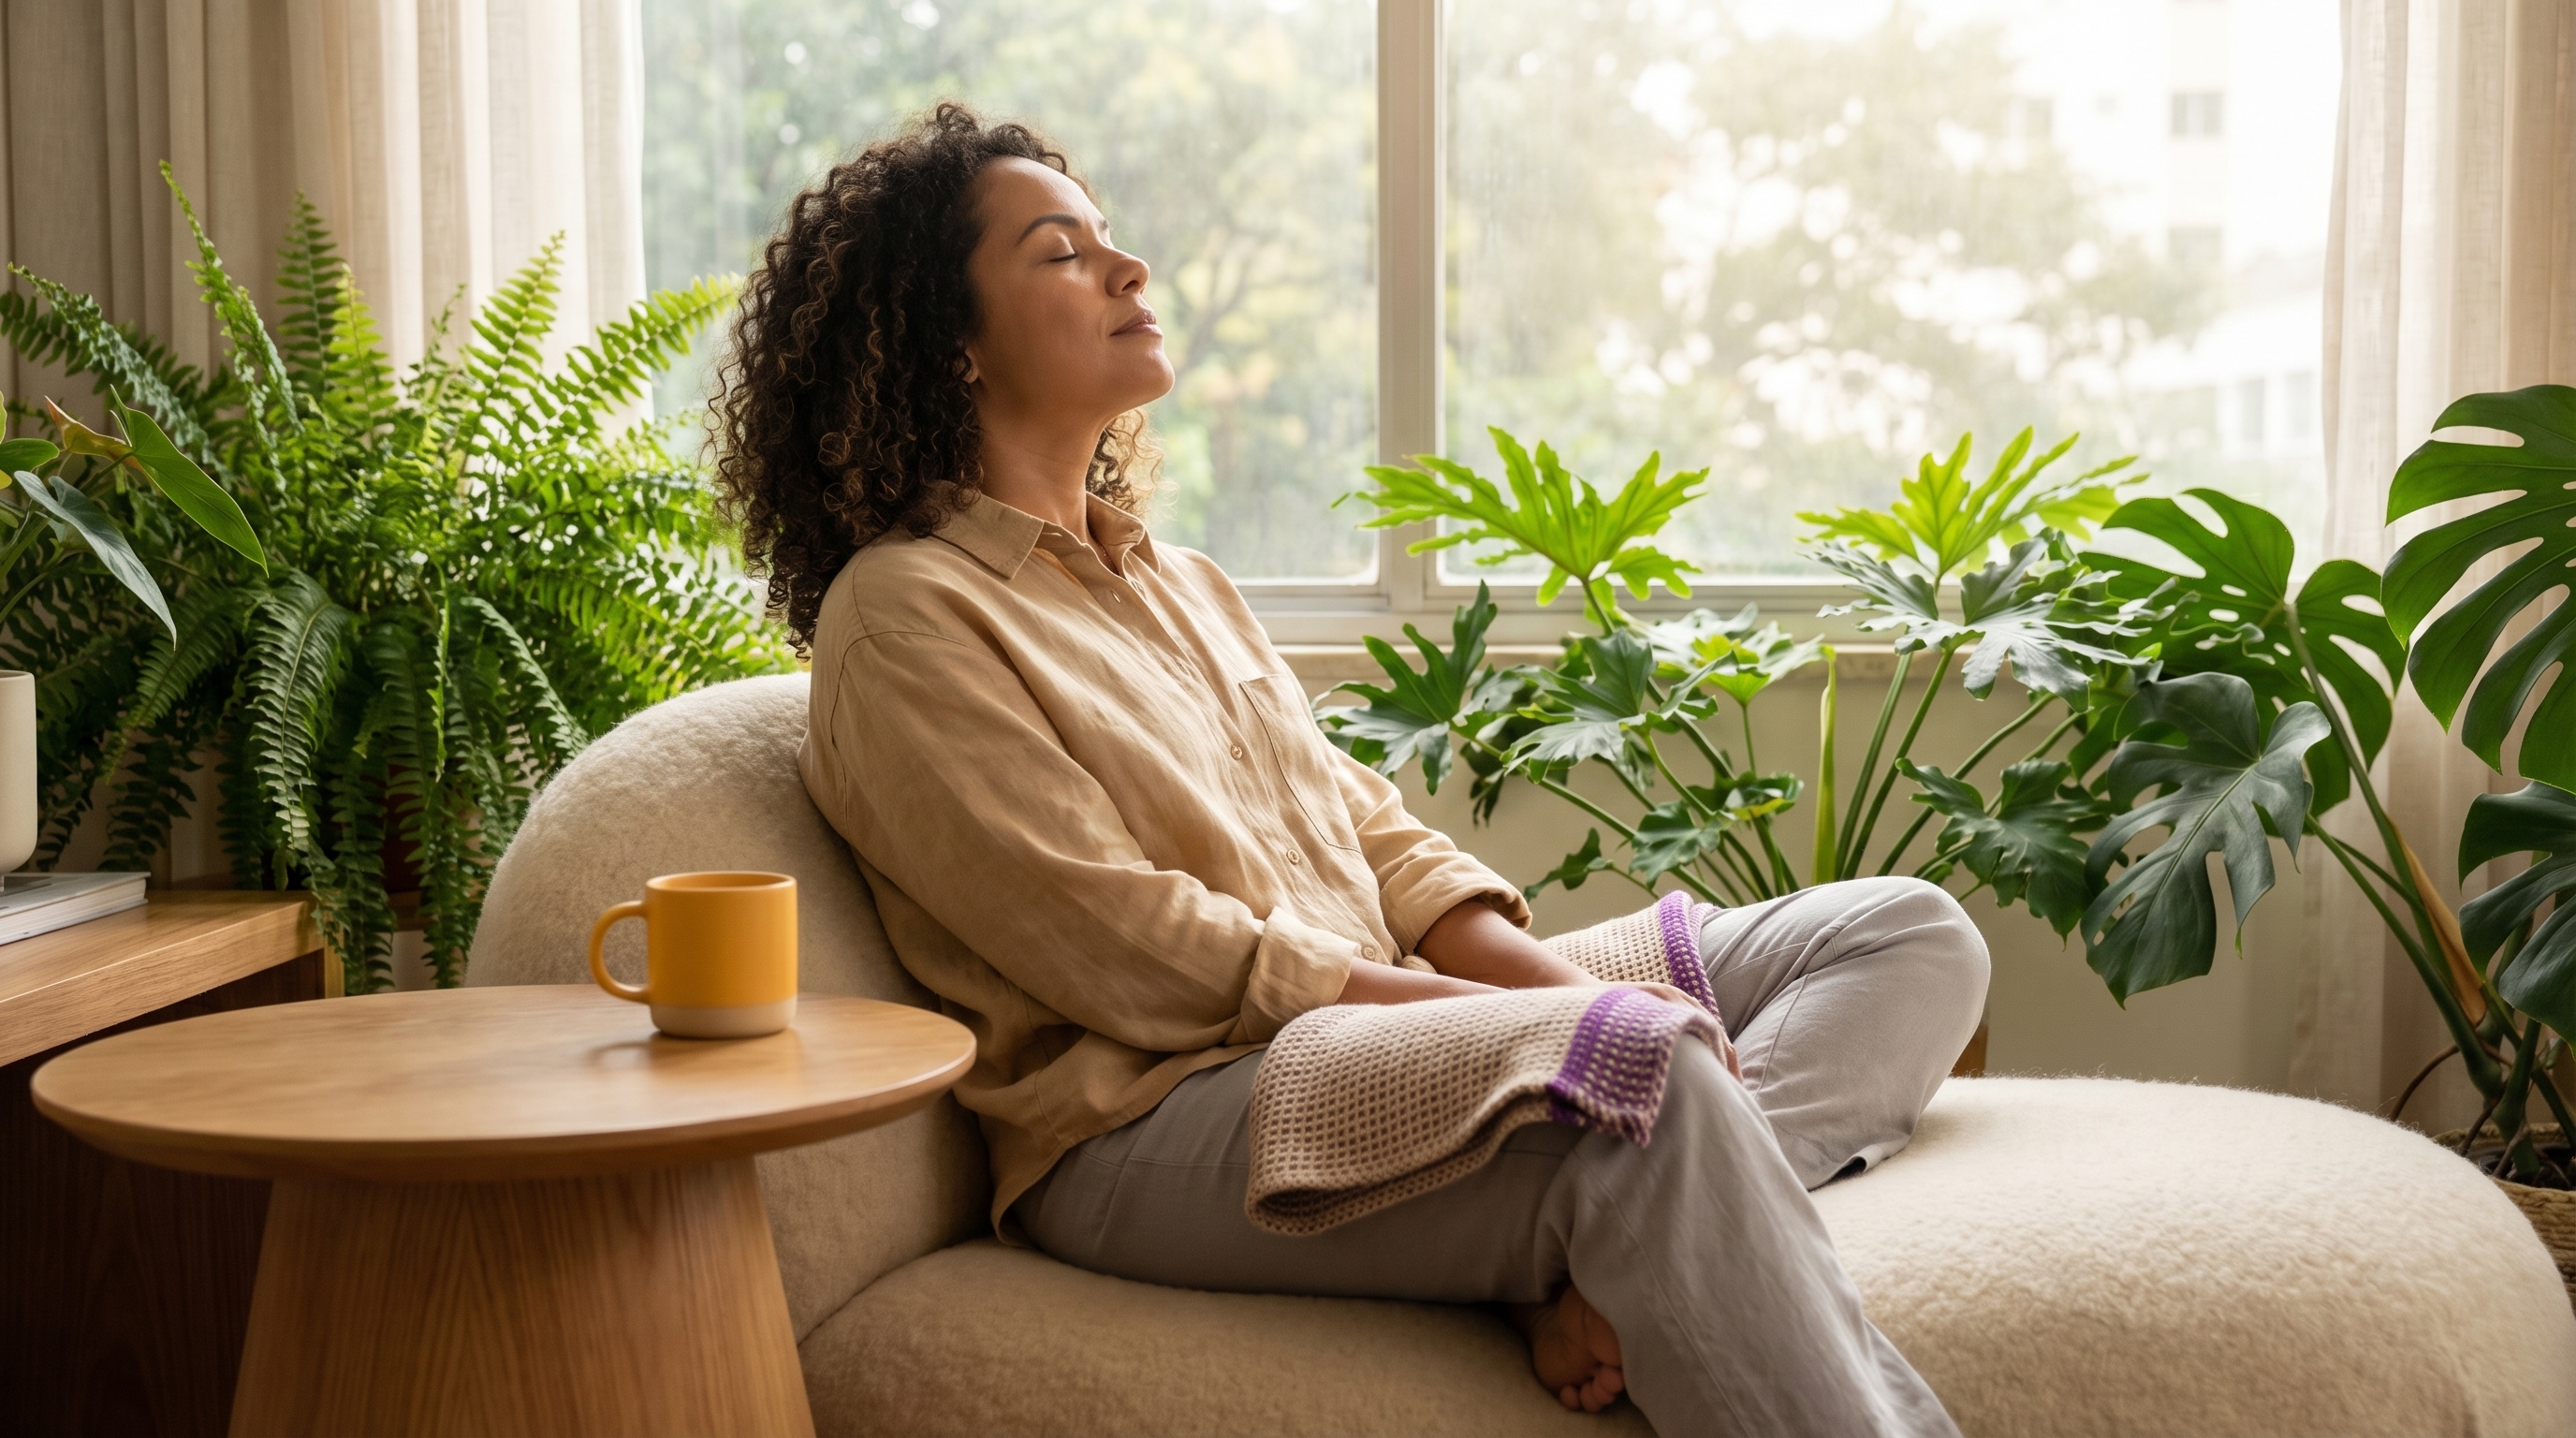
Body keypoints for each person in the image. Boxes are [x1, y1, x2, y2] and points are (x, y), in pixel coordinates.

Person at [714, 103, 1988, 1436]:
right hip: (1162, 1111)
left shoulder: (1184, 581)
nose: (1126, 269)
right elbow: (1123, 944)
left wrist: (1540, 995)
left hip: (1378, 1015)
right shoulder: (906, 614)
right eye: (1060, 253)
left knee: (1904, 935)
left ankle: (1608, 1265)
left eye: (1109, 239)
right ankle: (1646, 1201)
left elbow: (1371, 834)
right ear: (952, 343)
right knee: (1652, 1084)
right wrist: (1494, 1028)